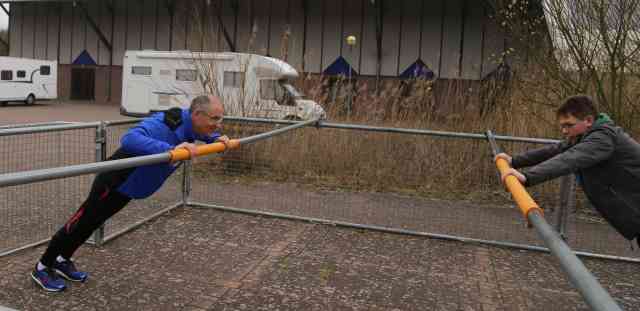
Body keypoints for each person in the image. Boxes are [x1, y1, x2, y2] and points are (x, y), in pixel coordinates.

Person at [31, 95, 230, 292]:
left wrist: (215, 138)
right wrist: (170, 149)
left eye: (220, 118)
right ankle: (42, 266)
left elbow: (201, 133)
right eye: (214, 119)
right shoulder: (166, 121)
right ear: (197, 114)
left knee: (93, 223)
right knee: (81, 221)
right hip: (115, 180)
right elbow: (129, 139)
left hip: (131, 185)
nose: (218, 123)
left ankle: (62, 260)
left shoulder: (192, 125)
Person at [496, 95, 640, 248]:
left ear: (589, 121)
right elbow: (556, 150)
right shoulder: (585, 137)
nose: (564, 131)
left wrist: (527, 177)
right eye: (562, 126)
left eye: (568, 125)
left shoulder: (602, 138)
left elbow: (571, 159)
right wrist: (514, 161)